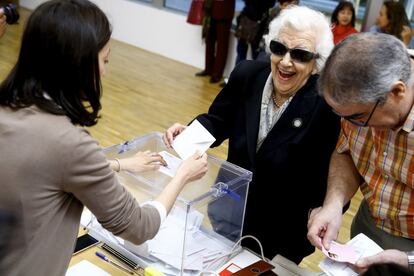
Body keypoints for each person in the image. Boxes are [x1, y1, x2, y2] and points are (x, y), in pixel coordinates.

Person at [0, 0, 208, 275]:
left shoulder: (11, 110)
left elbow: (42, 171)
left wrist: (121, 165)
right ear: (79, 63)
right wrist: (182, 175)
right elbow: (139, 227)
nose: (105, 72)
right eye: (104, 60)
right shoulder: (68, 142)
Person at [164, 6, 340, 263]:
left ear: (317, 62)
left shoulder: (326, 106)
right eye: (279, 48)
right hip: (230, 211)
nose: (286, 61)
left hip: (282, 233)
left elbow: (330, 174)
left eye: (300, 54)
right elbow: (217, 121)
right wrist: (187, 133)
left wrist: (325, 210)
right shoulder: (248, 75)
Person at [307, 32, 414, 271]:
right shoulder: (361, 96)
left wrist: (407, 259)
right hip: (368, 228)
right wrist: (333, 204)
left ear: (397, 92)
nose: (350, 124)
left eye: (357, 117)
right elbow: (346, 151)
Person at [195, 0, 235, 84]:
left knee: (222, 45)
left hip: (224, 11)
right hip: (210, 8)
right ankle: (208, 69)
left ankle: (217, 74)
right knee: (209, 41)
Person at [234, 0, 276, 65]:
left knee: (241, 53)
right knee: (255, 55)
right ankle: (253, 74)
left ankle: (237, 74)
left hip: (246, 20)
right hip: (259, 24)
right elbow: (271, 4)